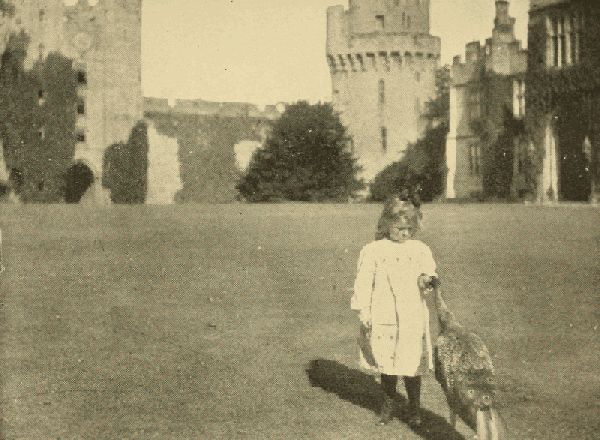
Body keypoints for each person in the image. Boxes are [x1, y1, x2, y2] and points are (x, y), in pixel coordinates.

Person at [351, 195, 438, 428]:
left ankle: (414, 408)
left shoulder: (419, 249)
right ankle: (388, 403)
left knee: (411, 364)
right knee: (387, 362)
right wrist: (365, 312)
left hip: (411, 316)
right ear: (387, 225)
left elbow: (428, 272)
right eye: (399, 228)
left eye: (409, 229)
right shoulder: (373, 250)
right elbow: (363, 282)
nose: (404, 233)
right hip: (384, 314)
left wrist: (425, 279)